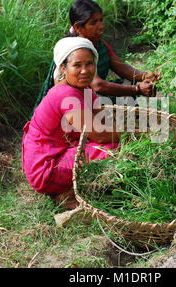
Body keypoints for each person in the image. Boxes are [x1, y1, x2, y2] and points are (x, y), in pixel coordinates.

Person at [23, 37, 120, 210]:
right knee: (113, 148)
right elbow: (102, 135)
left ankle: (72, 190)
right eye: (77, 65)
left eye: (89, 64)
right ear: (63, 68)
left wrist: (119, 131)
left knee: (112, 142)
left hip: (58, 155)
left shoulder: (85, 90)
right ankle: (66, 193)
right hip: (46, 169)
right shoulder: (65, 94)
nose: (85, 70)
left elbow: (104, 122)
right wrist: (133, 135)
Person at [34, 0, 161, 109]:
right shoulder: (76, 50)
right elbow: (98, 85)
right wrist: (137, 89)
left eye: (101, 20)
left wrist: (146, 76)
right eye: (93, 23)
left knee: (129, 84)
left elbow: (123, 69)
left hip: (90, 95)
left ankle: (131, 124)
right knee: (112, 98)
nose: (100, 26)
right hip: (72, 102)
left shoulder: (99, 44)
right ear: (78, 27)